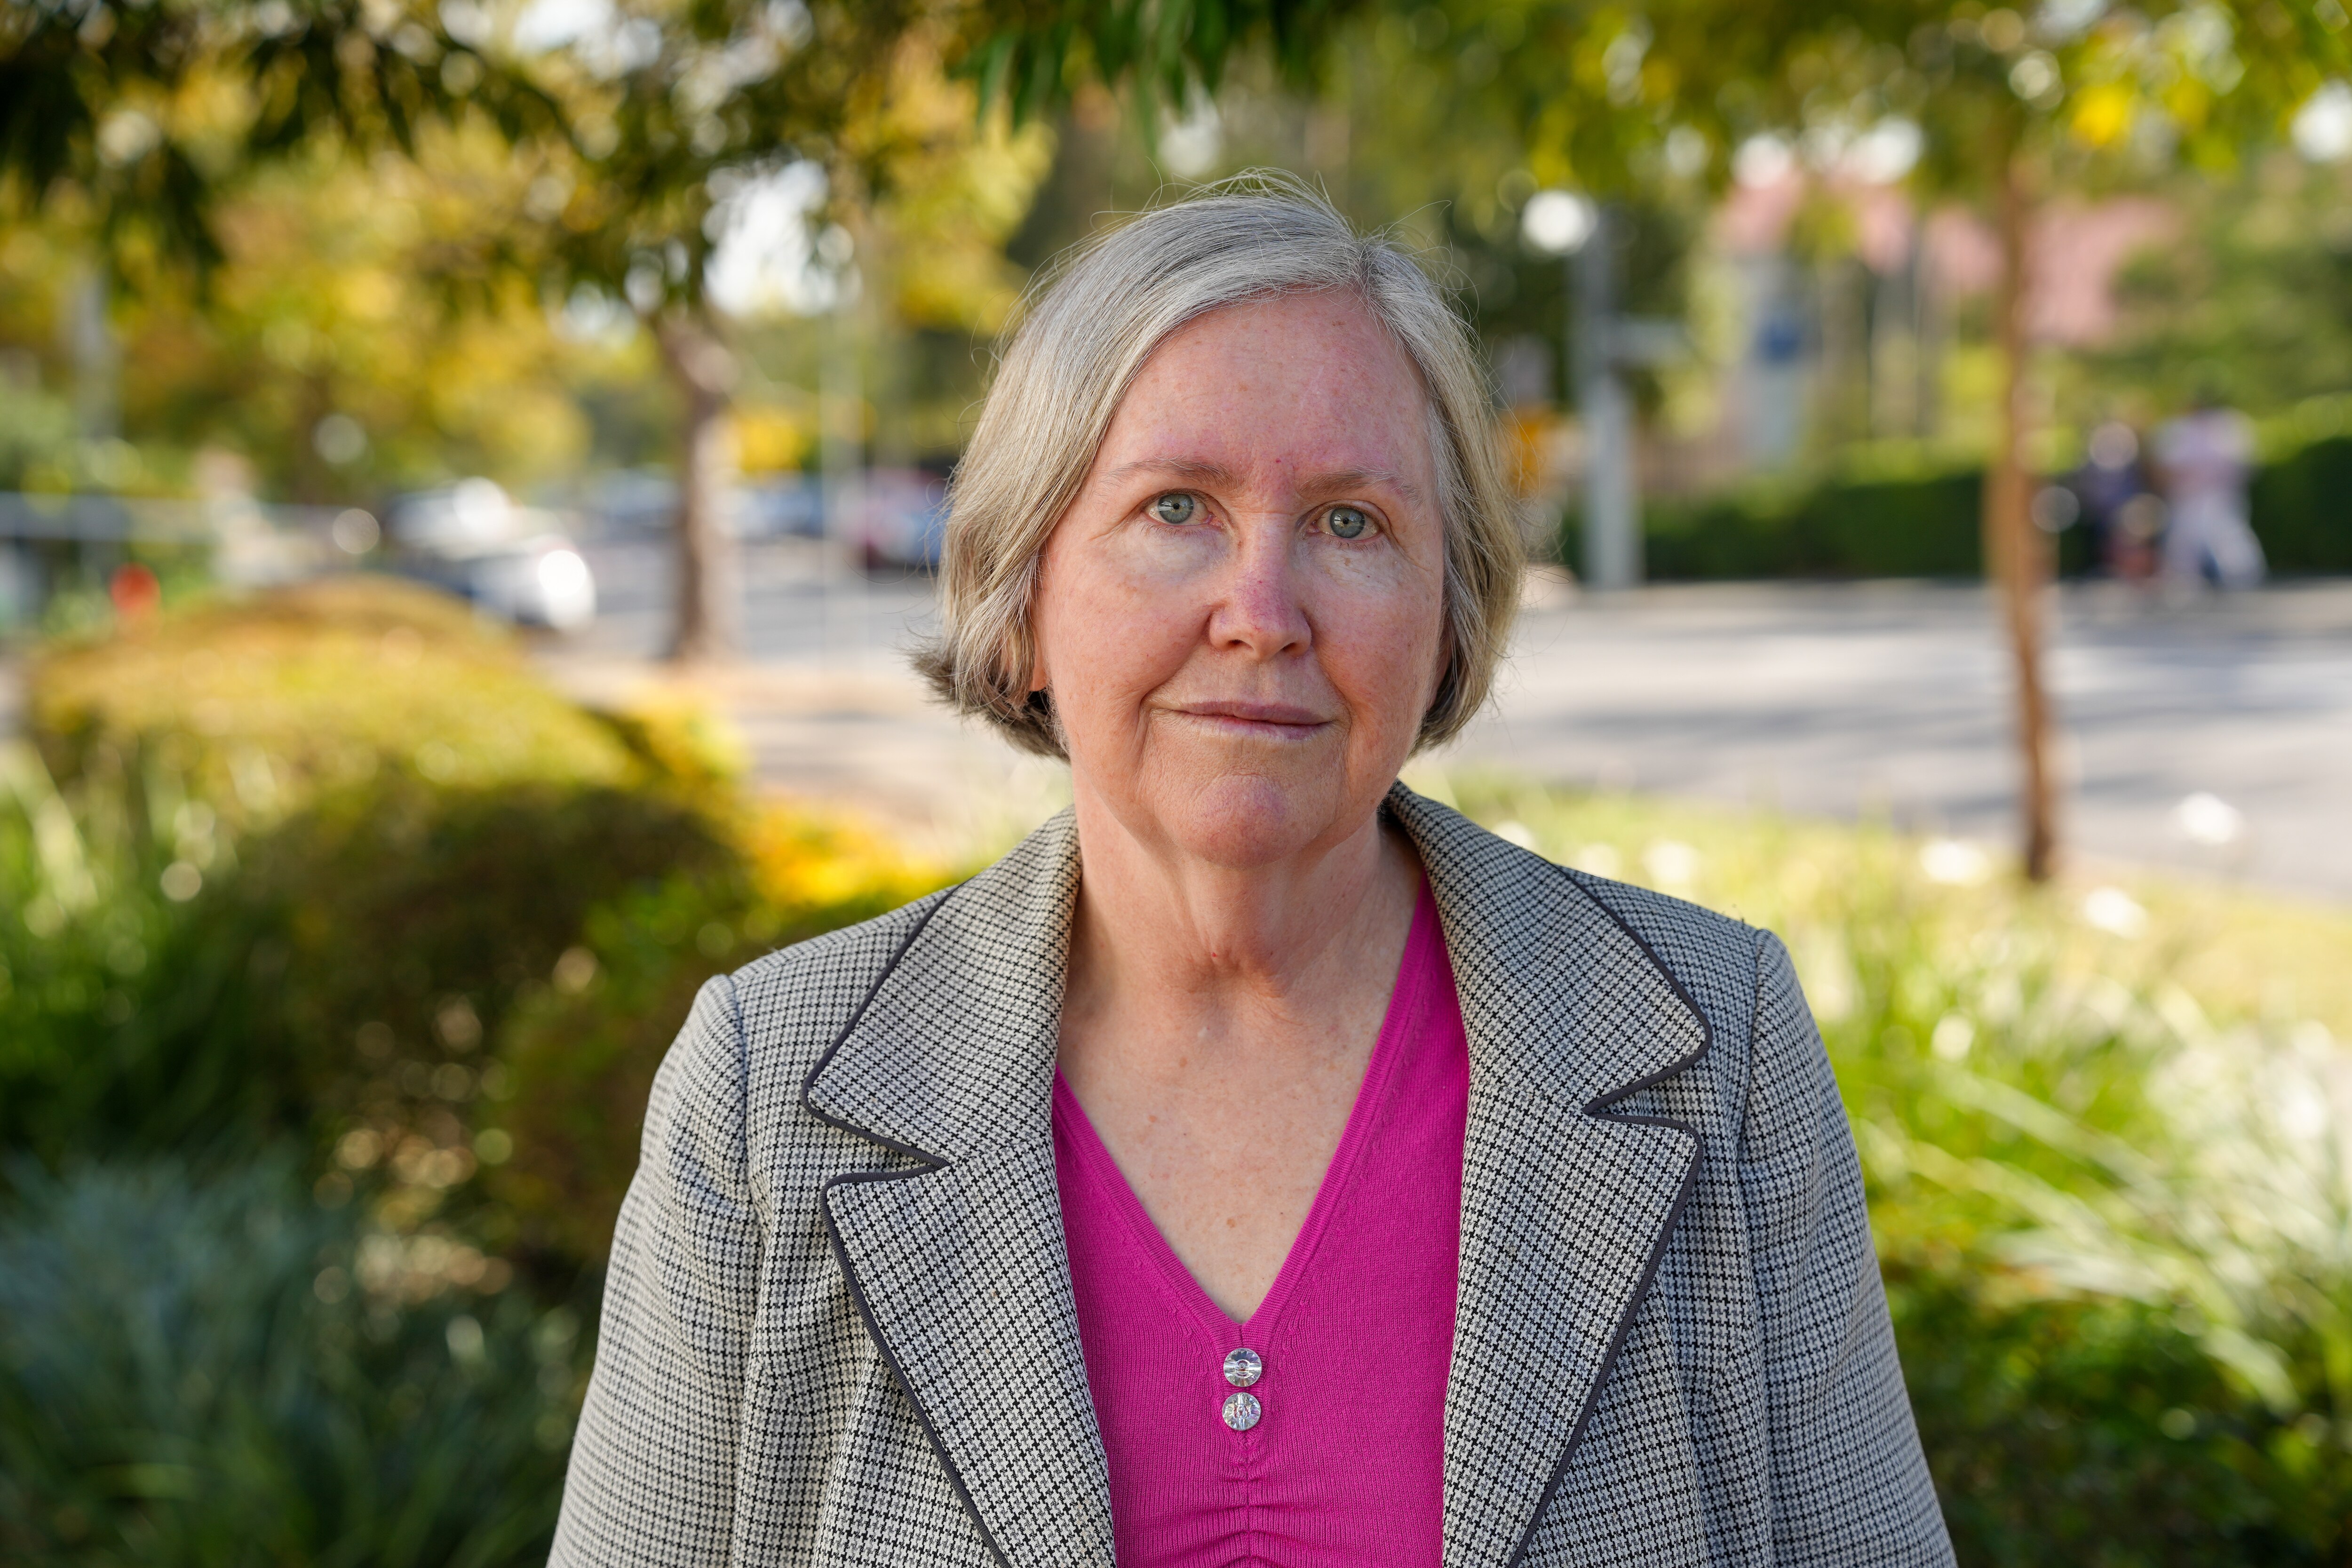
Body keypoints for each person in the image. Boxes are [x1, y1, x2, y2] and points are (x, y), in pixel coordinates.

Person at [551, 175, 1952, 1568]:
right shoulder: (768, 1092)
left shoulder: (1715, 1039)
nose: (1261, 614)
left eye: (1351, 523)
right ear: (1022, 588)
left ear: (1448, 618)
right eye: (1175, 509)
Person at [2153, 390, 2266, 590]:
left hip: (2221, 494)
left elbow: (2242, 465)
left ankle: (2241, 576)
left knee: (2229, 536)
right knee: (2184, 540)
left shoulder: (2229, 427)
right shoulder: (2179, 430)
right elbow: (2167, 469)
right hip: (2188, 497)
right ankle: (2184, 580)